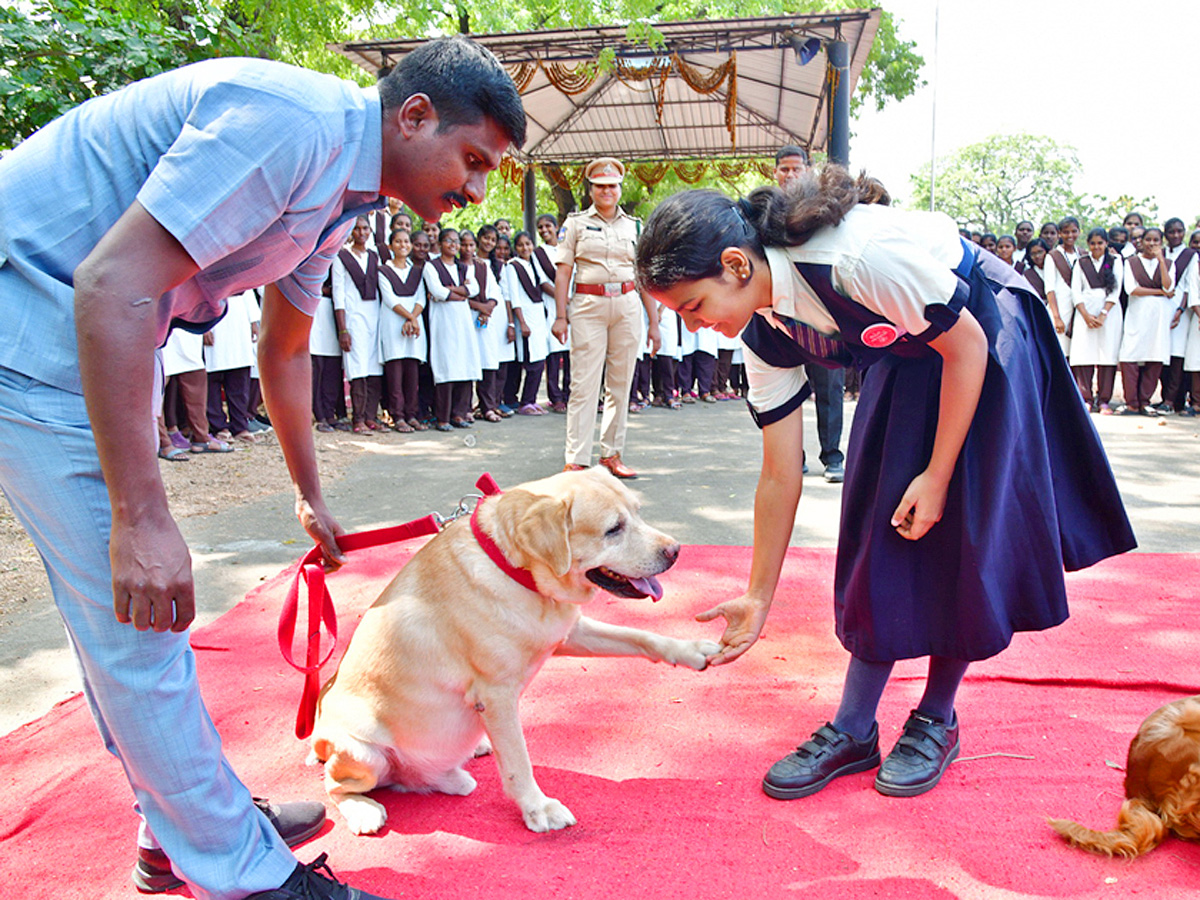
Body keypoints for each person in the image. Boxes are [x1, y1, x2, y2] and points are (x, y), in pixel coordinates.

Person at [0, 34, 524, 900]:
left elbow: (286, 350)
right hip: (32, 333)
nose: (470, 194)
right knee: (141, 617)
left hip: (74, 329)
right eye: (471, 161)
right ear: (415, 115)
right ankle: (244, 877)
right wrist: (141, 517)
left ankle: (180, 832)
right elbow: (112, 285)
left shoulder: (349, 189)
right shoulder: (294, 124)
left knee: (136, 620)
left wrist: (310, 496)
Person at [634, 169, 1134, 802]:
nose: (694, 325)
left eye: (693, 306)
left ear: (735, 264)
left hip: (980, 328)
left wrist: (938, 473)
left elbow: (966, 347)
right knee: (878, 526)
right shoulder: (759, 331)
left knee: (958, 525)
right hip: (907, 349)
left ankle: (937, 717)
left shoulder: (857, 260)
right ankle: (853, 727)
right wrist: (758, 598)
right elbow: (780, 471)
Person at [551, 157, 661, 478]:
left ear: (619, 188)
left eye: (612, 186)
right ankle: (577, 458)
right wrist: (561, 316)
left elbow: (644, 277)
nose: (606, 192)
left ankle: (611, 455)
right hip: (588, 304)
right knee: (583, 384)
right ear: (591, 189)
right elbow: (564, 273)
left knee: (620, 384)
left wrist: (655, 323)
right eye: (600, 186)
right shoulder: (575, 224)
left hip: (627, 304)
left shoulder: (635, 226)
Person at [773, 145, 844, 482]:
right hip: (778, 313)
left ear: (807, 171)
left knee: (829, 386)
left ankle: (832, 457)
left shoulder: (821, 207)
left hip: (820, 312)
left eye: (796, 168)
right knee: (786, 388)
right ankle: (792, 457)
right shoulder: (766, 209)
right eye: (784, 169)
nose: (790, 174)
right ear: (775, 173)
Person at [423, 228, 482, 430]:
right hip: (443, 321)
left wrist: (452, 289)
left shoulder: (463, 267)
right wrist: (460, 293)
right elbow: (436, 290)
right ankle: (443, 417)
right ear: (440, 243)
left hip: (462, 321)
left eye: (456, 241)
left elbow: (474, 289)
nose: (453, 245)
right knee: (446, 366)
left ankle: (459, 413)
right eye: (448, 241)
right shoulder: (431, 267)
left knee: (464, 365)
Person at [332, 216, 384, 433]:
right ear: (350, 232)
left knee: (374, 368)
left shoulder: (375, 256)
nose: (361, 233)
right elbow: (339, 294)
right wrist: (343, 329)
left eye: (365, 228)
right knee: (358, 369)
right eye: (357, 229)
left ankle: (372, 416)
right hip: (354, 320)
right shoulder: (341, 257)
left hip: (375, 317)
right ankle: (358, 418)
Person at [1118, 227, 1175, 415]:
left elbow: (1169, 285)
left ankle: (1144, 401)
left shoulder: (1168, 263)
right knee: (1130, 356)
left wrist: (1161, 262)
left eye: (1156, 240)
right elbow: (1132, 289)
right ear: (1141, 241)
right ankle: (1132, 402)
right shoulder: (1131, 262)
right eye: (1148, 240)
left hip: (1158, 316)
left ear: (1161, 242)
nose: (1152, 244)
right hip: (1137, 314)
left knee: (1155, 355)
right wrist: (1160, 292)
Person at [1067, 228, 1123, 414]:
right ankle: (1086, 398)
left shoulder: (1115, 261)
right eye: (1093, 243)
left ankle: (1104, 399)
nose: (1096, 247)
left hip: (1109, 313)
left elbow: (1116, 290)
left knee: (1107, 354)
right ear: (1088, 244)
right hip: (1085, 312)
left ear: (1106, 243)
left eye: (1100, 243)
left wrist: (1103, 314)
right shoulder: (1081, 262)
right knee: (1084, 355)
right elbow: (1076, 290)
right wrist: (1085, 314)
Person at [377, 229, 427, 432]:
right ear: (391, 246)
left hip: (413, 324)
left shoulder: (416, 271)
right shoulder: (383, 271)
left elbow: (421, 297)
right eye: (398, 241)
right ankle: (398, 415)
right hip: (393, 322)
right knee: (395, 372)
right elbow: (390, 299)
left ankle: (412, 414)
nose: (403, 245)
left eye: (406, 241)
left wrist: (413, 318)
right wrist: (410, 318)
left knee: (412, 371)